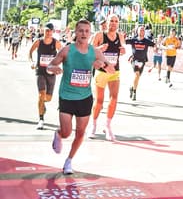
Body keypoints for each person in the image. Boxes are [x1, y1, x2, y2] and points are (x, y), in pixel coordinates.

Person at [47, 19, 114, 174]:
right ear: (76, 33)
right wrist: (54, 69)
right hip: (67, 96)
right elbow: (50, 65)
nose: (84, 33)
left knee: (80, 133)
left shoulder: (94, 52)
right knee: (67, 132)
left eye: (86, 31)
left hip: (85, 98)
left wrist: (102, 65)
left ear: (90, 33)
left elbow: (111, 69)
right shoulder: (67, 50)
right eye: (81, 31)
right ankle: (58, 134)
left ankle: (69, 161)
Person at [90, 14, 126, 141]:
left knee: (114, 98)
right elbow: (89, 50)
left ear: (118, 23)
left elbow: (122, 50)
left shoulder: (120, 36)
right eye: (112, 20)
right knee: (99, 101)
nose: (114, 23)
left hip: (114, 71)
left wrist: (123, 51)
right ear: (107, 22)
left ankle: (108, 125)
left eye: (116, 21)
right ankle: (93, 125)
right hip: (101, 71)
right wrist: (99, 48)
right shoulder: (100, 35)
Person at [28, 22, 61, 129]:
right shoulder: (38, 42)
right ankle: (41, 119)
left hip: (51, 73)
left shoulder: (56, 43)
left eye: (50, 31)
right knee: (41, 95)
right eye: (46, 30)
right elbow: (30, 52)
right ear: (44, 30)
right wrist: (32, 62)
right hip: (40, 72)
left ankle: (43, 104)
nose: (48, 32)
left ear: (53, 32)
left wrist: (58, 65)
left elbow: (63, 54)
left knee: (48, 98)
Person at [126, 26, 156, 101]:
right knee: (137, 74)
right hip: (134, 60)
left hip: (142, 61)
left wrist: (155, 48)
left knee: (138, 76)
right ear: (137, 31)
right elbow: (123, 41)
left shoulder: (146, 41)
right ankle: (135, 93)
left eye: (143, 30)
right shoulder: (133, 40)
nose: (142, 31)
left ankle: (132, 88)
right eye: (140, 30)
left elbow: (154, 45)